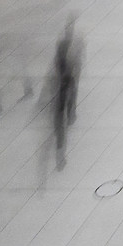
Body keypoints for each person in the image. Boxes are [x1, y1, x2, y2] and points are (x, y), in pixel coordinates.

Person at [48, 20, 82, 169]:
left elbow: (57, 63)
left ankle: (60, 155)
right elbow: (74, 63)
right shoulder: (72, 46)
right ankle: (71, 114)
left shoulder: (63, 45)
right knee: (69, 101)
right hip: (66, 83)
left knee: (59, 126)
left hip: (60, 87)